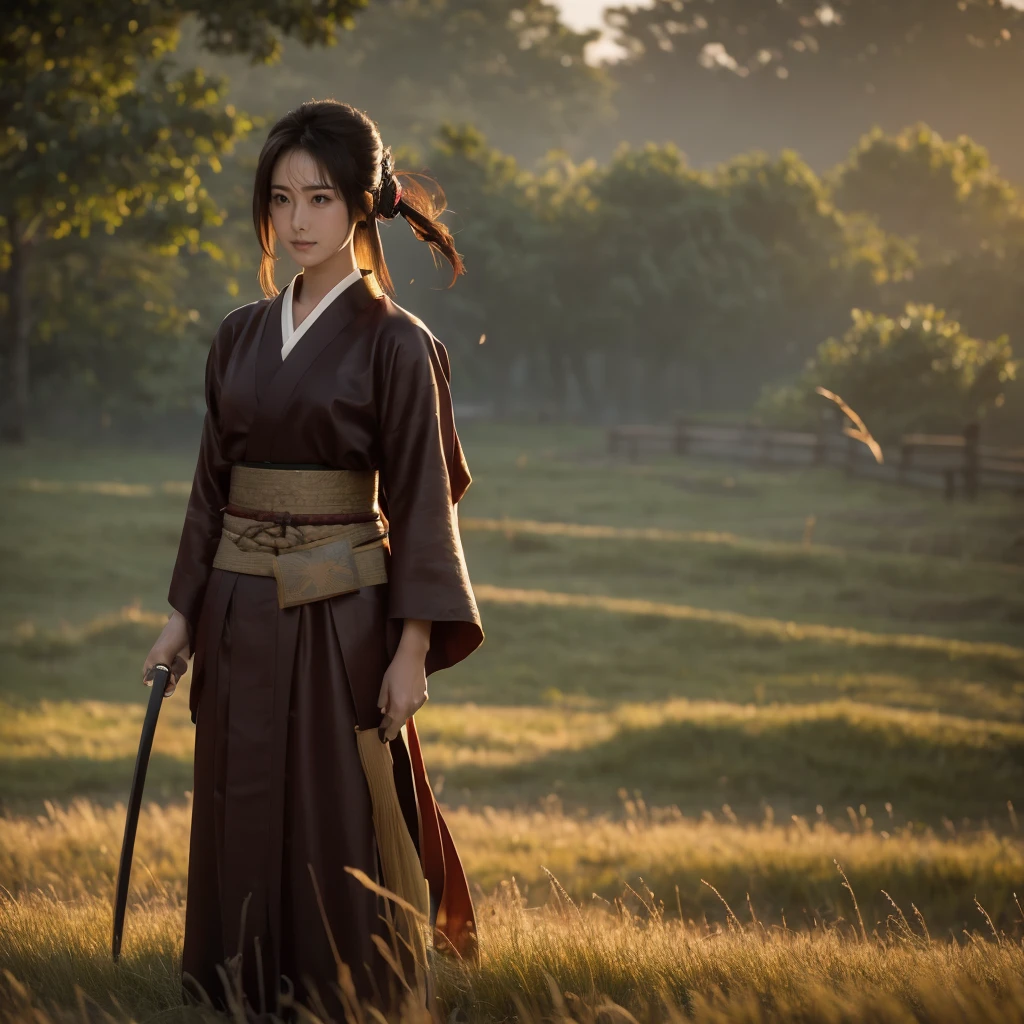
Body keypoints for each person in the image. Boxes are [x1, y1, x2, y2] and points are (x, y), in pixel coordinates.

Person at [142, 99, 484, 1018]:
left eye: (322, 199)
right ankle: (234, 995)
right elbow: (211, 483)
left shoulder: (400, 345)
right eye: (282, 199)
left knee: (338, 816)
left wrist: (412, 649)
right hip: (237, 611)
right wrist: (181, 616)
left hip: (345, 618)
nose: (298, 221)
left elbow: (419, 504)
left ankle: (348, 997)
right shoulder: (239, 335)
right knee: (240, 804)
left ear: (363, 207)